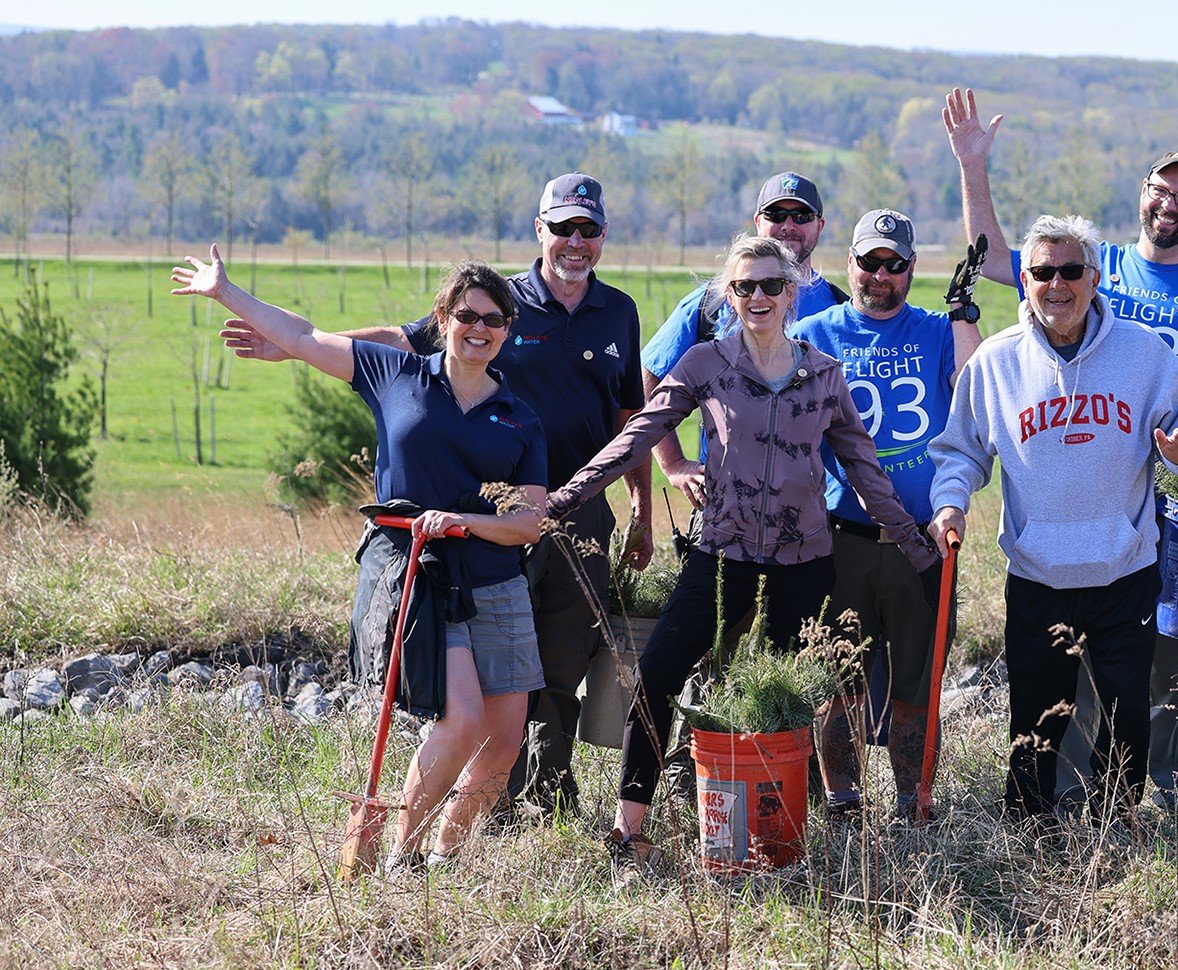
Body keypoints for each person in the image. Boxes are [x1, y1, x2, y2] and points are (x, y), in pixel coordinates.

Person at [222, 173, 649, 820]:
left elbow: (628, 417)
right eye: (564, 227)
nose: (576, 241)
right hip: (491, 510)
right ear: (540, 231)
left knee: (562, 663)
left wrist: (641, 507)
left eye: (588, 229)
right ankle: (490, 808)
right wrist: (294, 349)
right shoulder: (499, 303)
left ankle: (548, 800)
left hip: (580, 513)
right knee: (500, 667)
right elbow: (402, 341)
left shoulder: (619, 310)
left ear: (603, 236)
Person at [544, 234, 938, 867]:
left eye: (771, 285)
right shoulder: (706, 364)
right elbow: (639, 435)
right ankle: (630, 827)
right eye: (745, 286)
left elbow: (866, 472)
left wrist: (921, 553)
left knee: (780, 698)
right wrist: (563, 498)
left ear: (793, 292)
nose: (758, 296)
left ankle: (772, 835)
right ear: (729, 294)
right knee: (659, 674)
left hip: (805, 562)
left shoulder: (823, 374)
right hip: (721, 555)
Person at [945, 88, 1178, 812]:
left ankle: (1176, 795)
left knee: (1161, 670)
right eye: (1162, 189)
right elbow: (998, 255)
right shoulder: (1099, 264)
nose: (1171, 203)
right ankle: (1063, 806)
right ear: (1143, 194)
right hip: (1065, 497)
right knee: (1066, 685)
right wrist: (973, 166)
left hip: (1163, 504)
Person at [177, 250, 549, 870]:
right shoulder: (394, 374)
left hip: (497, 582)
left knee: (504, 743)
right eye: (467, 315)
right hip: (421, 577)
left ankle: (446, 854)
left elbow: (529, 522)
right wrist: (225, 292)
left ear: (507, 330)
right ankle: (402, 856)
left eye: (494, 319)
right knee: (460, 721)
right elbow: (302, 334)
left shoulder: (519, 417)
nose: (479, 328)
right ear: (444, 317)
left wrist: (467, 522)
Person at [928, 214, 1178, 820]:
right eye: (1041, 272)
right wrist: (950, 502)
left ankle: (1113, 834)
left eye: (1070, 271)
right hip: (1037, 574)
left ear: (1094, 278)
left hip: (1125, 569)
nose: (1056, 284)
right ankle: (1032, 834)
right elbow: (961, 451)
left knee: (1125, 718)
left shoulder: (1144, 354)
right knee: (1034, 719)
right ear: (1026, 282)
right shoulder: (995, 363)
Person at [791, 208, 982, 820]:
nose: (880, 276)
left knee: (916, 686)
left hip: (923, 540)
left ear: (910, 268)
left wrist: (964, 316)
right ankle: (843, 806)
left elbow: (978, 389)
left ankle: (912, 805)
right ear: (848, 263)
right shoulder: (814, 332)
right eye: (868, 263)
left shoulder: (934, 330)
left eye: (893, 265)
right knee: (837, 683)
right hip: (839, 537)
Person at [641, 172, 850, 515]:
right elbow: (648, 377)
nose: (788, 225)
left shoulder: (840, 310)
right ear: (757, 222)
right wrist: (674, 463)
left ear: (820, 225)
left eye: (801, 216)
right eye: (776, 215)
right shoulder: (713, 302)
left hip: (812, 513)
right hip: (724, 507)